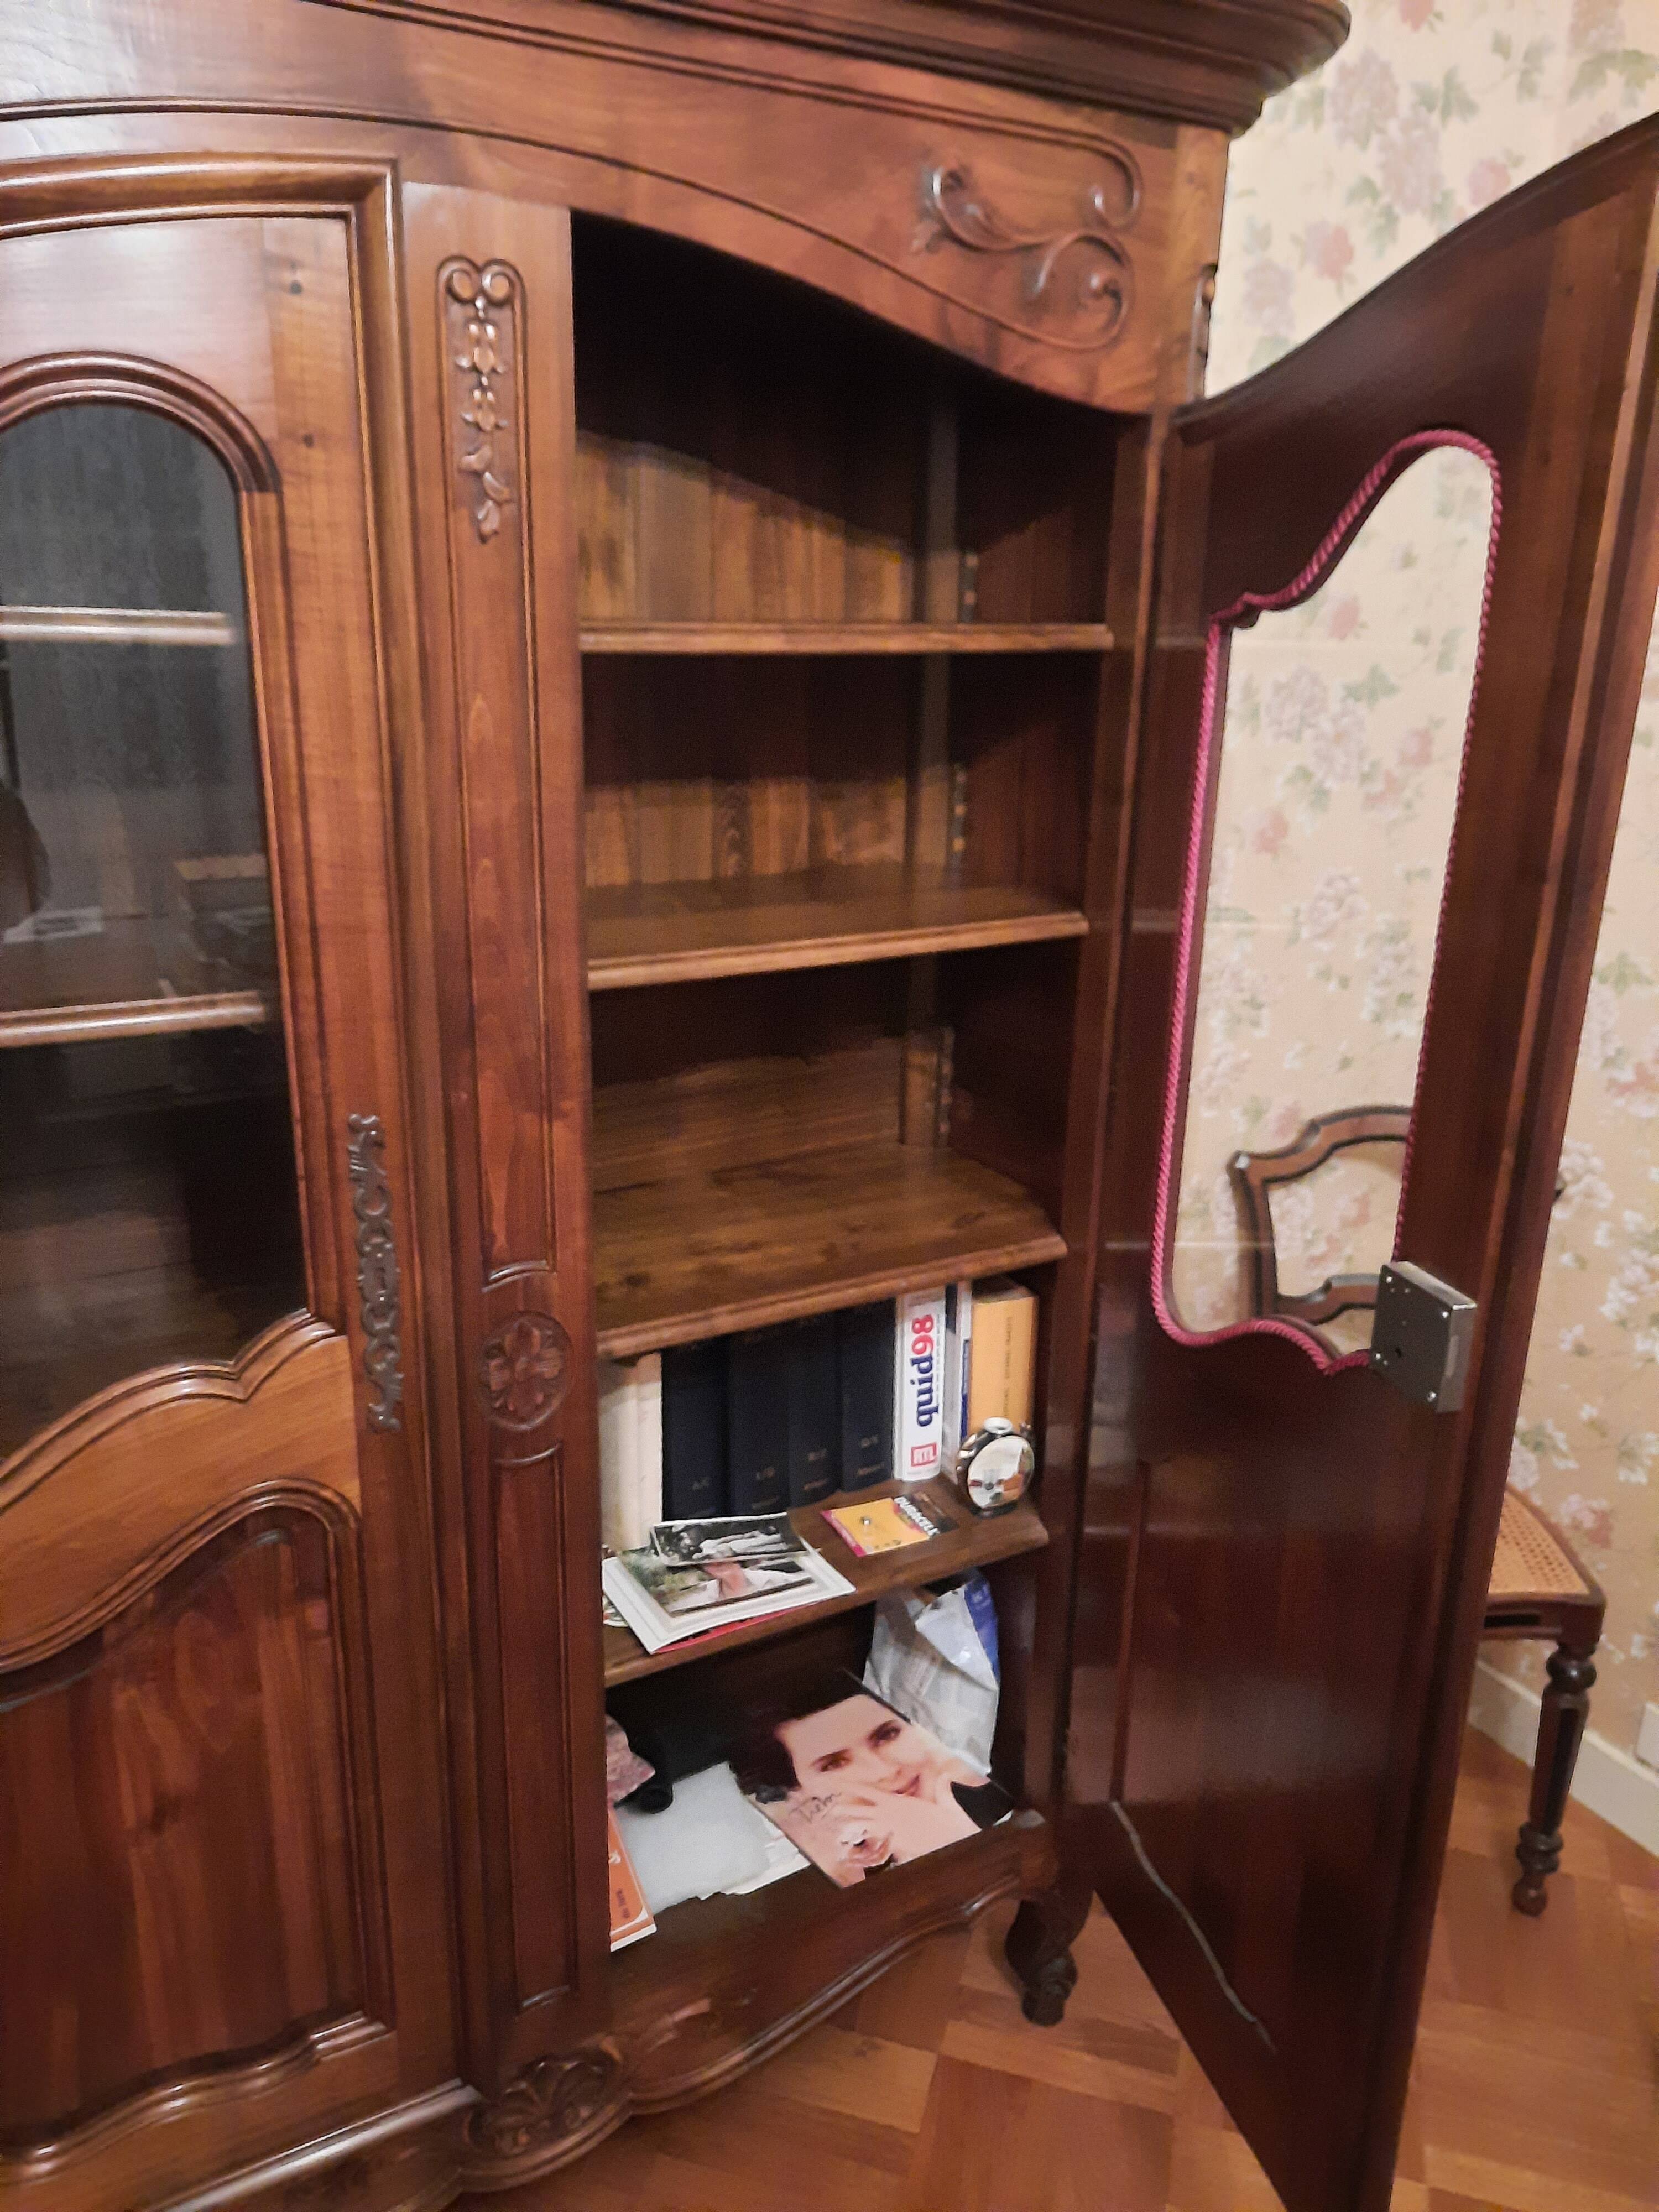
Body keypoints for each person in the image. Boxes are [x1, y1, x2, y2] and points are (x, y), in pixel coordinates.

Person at [731, 1682, 1006, 1886]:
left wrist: (945, 1837)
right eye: (834, 1764)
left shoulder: (983, 1783)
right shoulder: (832, 1863)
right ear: (802, 1790)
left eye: (887, 1735)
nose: (883, 1770)